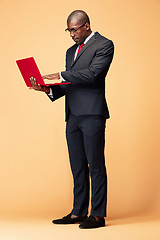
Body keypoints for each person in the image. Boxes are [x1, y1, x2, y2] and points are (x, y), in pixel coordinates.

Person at [30, 10, 114, 229]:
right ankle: (78, 211)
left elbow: (93, 74)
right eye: (68, 30)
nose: (71, 34)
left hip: (92, 114)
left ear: (86, 25)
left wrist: (61, 74)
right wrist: (47, 89)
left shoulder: (104, 45)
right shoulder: (70, 51)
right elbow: (71, 84)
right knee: (77, 165)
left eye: (74, 29)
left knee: (95, 165)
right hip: (73, 115)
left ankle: (97, 214)